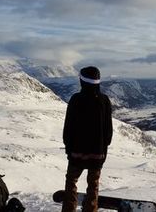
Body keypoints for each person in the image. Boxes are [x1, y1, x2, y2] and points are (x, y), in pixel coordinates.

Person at [60, 66, 114, 212]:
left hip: (76, 152)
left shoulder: (76, 100)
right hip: (97, 153)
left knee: (71, 182)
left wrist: (68, 148)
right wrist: (104, 148)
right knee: (93, 185)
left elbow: (68, 127)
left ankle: (69, 209)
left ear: (82, 81)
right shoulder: (104, 100)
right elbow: (108, 130)